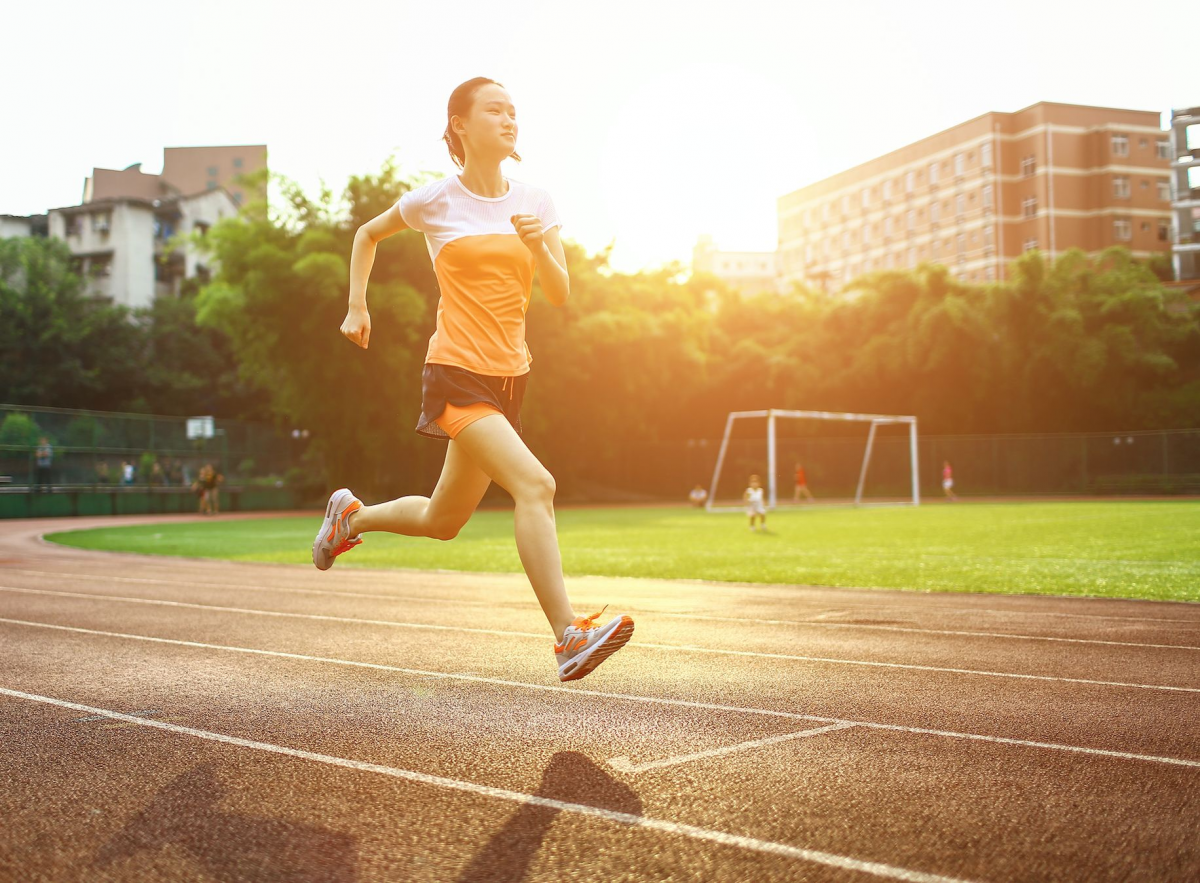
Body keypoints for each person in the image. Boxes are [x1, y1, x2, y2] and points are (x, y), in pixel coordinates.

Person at [312, 77, 634, 683]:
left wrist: (539, 246)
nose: (510, 119)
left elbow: (562, 294)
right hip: (456, 374)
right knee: (536, 485)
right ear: (460, 124)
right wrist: (358, 306)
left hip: (511, 377)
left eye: (515, 111)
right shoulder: (437, 200)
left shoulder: (537, 200)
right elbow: (365, 236)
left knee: (443, 520)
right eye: (495, 110)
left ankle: (349, 518)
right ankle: (568, 636)